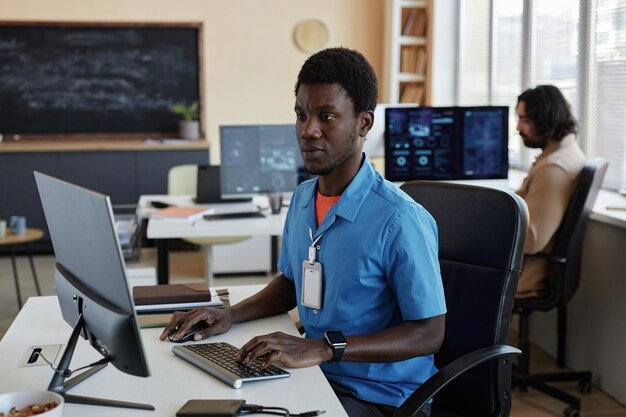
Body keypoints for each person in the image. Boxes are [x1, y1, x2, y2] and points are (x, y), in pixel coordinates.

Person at [160, 47, 446, 417]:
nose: (308, 130)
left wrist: (325, 348)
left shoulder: (400, 219)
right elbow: (293, 282)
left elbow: (429, 333)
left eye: (326, 117)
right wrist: (230, 314)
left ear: (363, 123)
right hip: (312, 372)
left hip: (380, 396)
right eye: (301, 115)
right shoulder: (303, 197)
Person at [515, 85, 586, 298]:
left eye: (525, 120)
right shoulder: (565, 151)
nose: (518, 127)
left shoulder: (553, 170)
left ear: (546, 120)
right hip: (526, 267)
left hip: (525, 276)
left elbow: (532, 240)